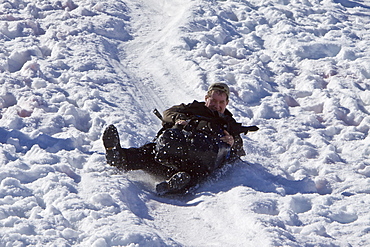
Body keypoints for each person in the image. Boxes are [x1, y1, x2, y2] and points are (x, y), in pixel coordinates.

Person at [102, 83, 249, 195]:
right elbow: (168, 113)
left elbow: (239, 151)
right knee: (149, 152)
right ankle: (118, 156)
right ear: (206, 99)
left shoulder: (229, 123)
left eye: (221, 102)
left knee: (197, 173)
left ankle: (175, 185)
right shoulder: (193, 108)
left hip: (195, 161)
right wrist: (179, 119)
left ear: (227, 103)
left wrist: (232, 142)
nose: (217, 106)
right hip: (171, 152)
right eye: (214, 100)